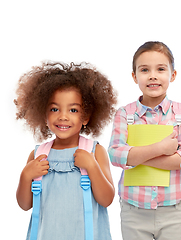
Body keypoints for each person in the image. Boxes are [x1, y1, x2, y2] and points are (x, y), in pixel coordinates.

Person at [15, 61, 117, 240]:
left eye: (73, 110)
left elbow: (107, 199)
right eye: (54, 109)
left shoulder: (95, 152)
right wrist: (25, 176)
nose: (63, 116)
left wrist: (92, 167)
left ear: (85, 117)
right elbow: (25, 205)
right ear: (43, 114)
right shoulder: (38, 155)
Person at [108, 41, 181, 240]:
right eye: (145, 69)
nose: (153, 75)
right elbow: (115, 154)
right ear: (134, 76)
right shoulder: (124, 114)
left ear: (172, 75)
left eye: (161, 69)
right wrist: (160, 148)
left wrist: (136, 157)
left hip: (173, 209)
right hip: (133, 210)